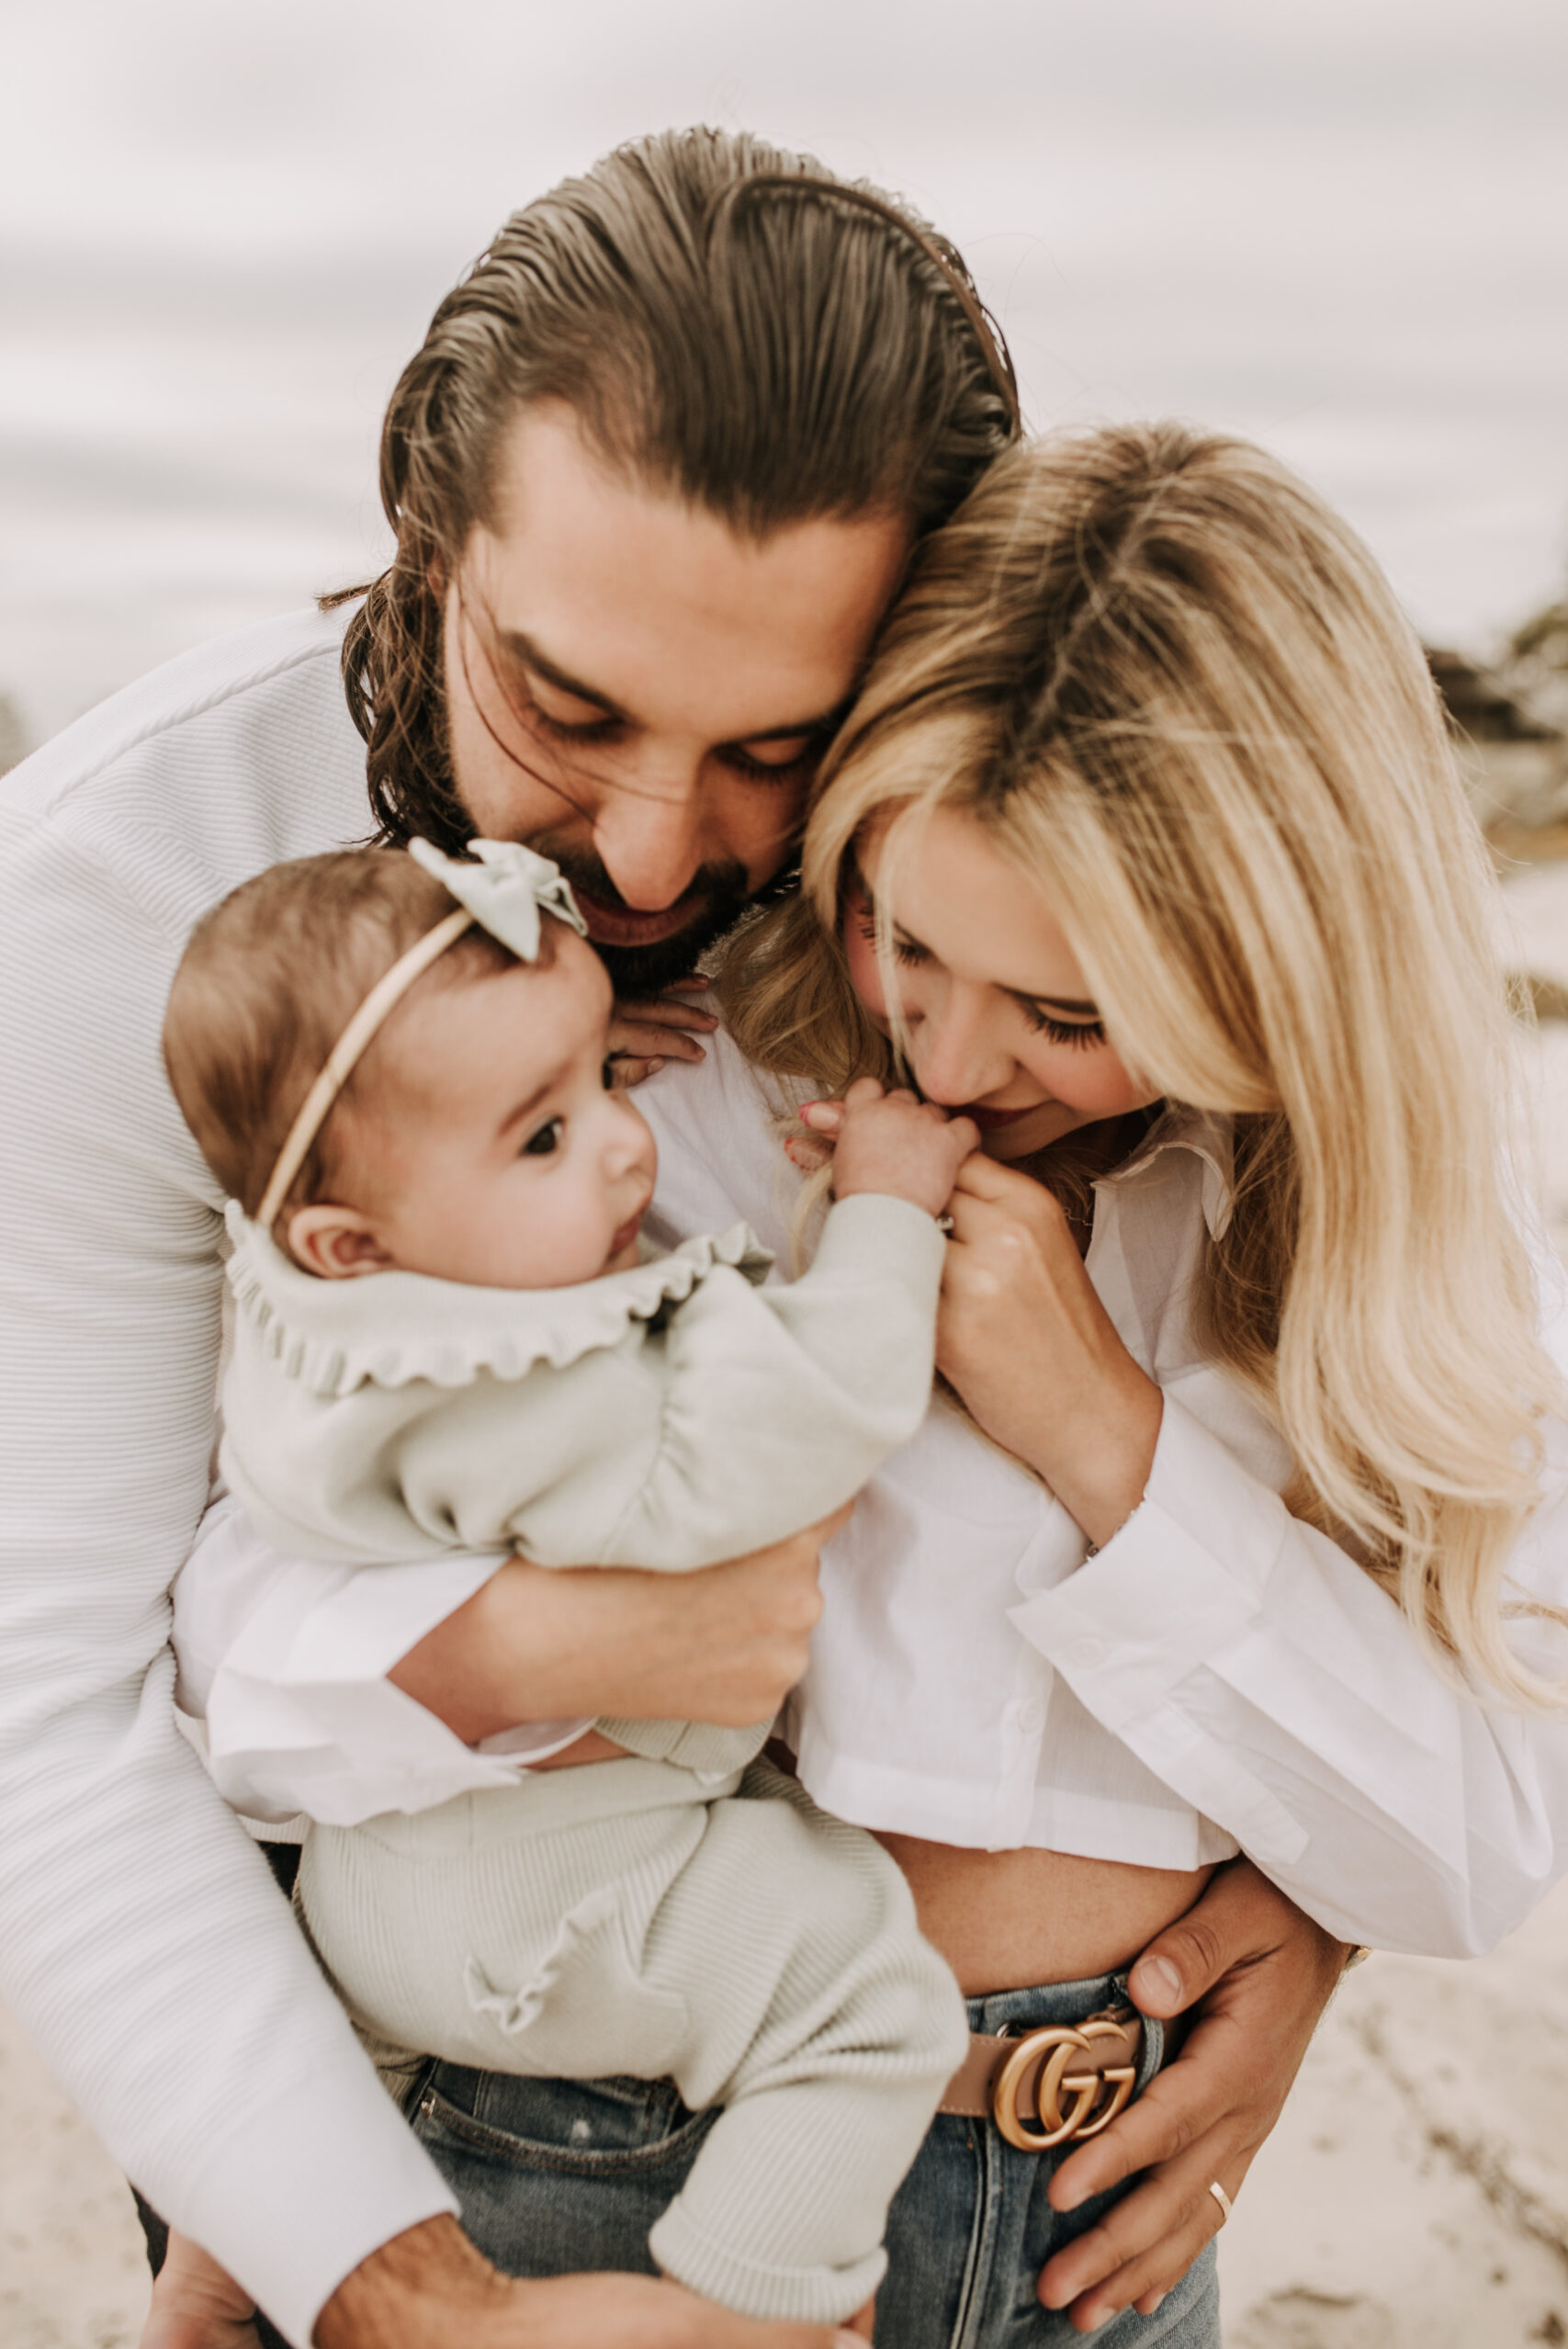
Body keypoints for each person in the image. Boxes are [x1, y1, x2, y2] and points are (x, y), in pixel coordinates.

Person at [0, 120, 1359, 2349]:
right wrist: (389, 2284)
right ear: (421, 548)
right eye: (565, 706)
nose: (650, 854)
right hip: (413, 2110)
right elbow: (53, 1713)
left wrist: (1306, 1886)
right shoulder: (97, 915)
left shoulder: (963, 887)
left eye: (776, 746)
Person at [175, 426, 1568, 2348]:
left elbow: (1477, 1847)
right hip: (587, 2160)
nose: (951, 1050)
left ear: (1266, 969)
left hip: (1104, 2215)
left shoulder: (1373, 1244)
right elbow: (245, 1641)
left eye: (1071, 1012)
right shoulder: (666, 1109)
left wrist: (1105, 1436)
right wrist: (549, 1641)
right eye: (895, 931)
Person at [152, 831, 975, 2334]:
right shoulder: (542, 1385)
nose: (621, 1147)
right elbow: (807, 1415)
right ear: (353, 1235)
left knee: (322, 2081)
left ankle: (227, 2253)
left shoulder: (321, 1319)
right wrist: (886, 1210)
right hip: (557, 1901)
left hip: (364, 1907)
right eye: (543, 1137)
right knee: (866, 1997)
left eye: (604, 1076)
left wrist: (525, 1078)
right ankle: (754, 2302)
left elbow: (393, 1141)